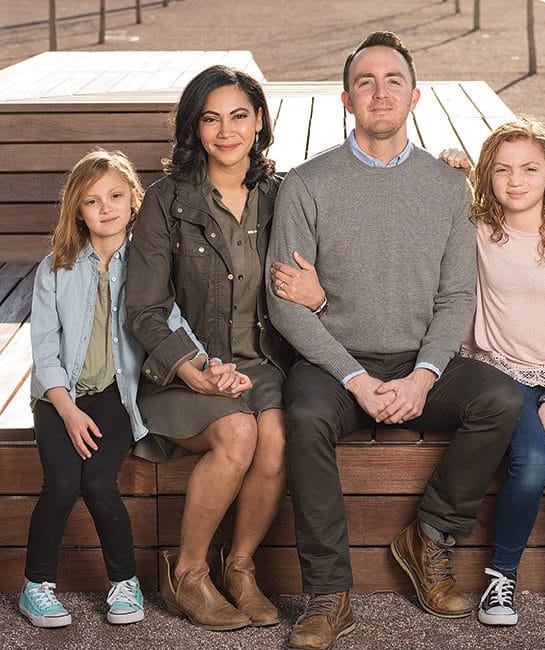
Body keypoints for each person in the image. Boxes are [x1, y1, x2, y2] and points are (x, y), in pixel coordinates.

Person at [266, 31, 523, 650]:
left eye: (393, 82)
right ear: (347, 99)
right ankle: (329, 593)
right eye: (365, 82)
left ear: (414, 98)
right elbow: (282, 302)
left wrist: (425, 374)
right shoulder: (306, 184)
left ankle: (430, 537)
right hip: (334, 366)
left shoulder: (446, 188)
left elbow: (456, 297)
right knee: (302, 416)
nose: (380, 92)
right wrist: (354, 378)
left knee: (502, 401)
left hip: (419, 365)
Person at [125, 65, 325, 631]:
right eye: (210, 118)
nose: (226, 130)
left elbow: (333, 259)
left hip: (263, 365)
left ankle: (238, 568)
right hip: (182, 370)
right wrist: (191, 370)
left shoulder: (284, 195)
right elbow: (142, 311)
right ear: (193, 128)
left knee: (278, 433)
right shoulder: (166, 202)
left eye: (240, 115)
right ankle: (188, 573)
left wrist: (320, 295)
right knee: (238, 431)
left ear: (260, 122)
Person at [442, 116, 545, 626]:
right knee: (534, 461)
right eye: (502, 170)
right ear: (487, 177)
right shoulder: (476, 229)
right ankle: (502, 577)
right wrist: (451, 167)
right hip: (497, 373)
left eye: (529, 169)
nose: (516, 181)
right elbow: (419, 190)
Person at [21, 150, 154, 628]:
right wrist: (68, 411)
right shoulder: (55, 268)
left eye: (116, 196)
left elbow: (170, 322)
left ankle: (124, 582)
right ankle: (36, 586)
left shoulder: (146, 263)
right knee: (60, 483)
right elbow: (44, 351)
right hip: (58, 397)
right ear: (78, 209)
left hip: (114, 395)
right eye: (92, 201)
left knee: (98, 482)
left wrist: (206, 362)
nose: (106, 208)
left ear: (134, 200)